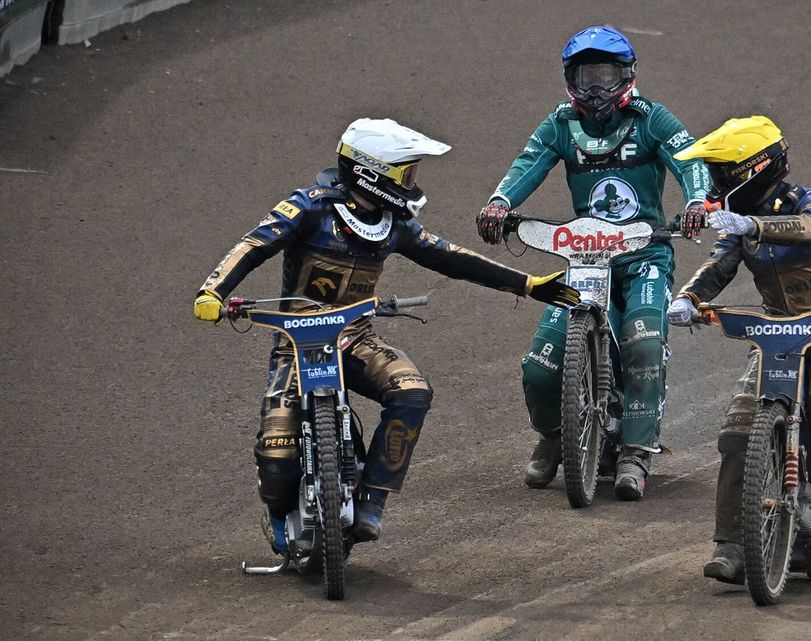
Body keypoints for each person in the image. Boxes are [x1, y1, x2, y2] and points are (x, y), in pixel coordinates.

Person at [192, 118, 579, 551]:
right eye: (406, 173)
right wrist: (214, 291)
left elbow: (452, 258)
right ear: (372, 173)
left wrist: (528, 285)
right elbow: (254, 244)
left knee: (412, 391)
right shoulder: (309, 207)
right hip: (297, 344)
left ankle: (372, 498)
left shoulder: (394, 223)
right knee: (278, 454)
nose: (412, 182)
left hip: (354, 338)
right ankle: (279, 518)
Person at [475, 25, 710, 500]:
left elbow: (690, 160)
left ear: (627, 75)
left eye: (608, 75)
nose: (597, 87)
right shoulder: (561, 123)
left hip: (645, 254)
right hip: (584, 259)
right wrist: (500, 201)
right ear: (571, 78)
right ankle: (553, 437)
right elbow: (528, 162)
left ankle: (636, 451)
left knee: (643, 343)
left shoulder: (652, 119)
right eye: (588, 76)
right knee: (540, 367)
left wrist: (698, 201)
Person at [667, 115, 811, 583]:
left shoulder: (809, 203)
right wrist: (687, 300)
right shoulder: (736, 228)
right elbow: (717, 267)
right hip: (774, 336)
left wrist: (752, 223)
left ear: (751, 170)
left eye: (721, 173)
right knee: (736, 432)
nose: (715, 182)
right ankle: (731, 543)